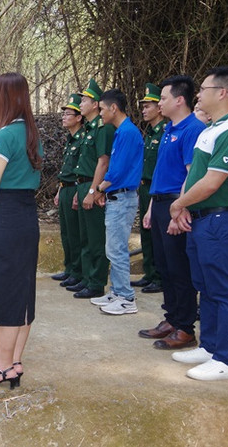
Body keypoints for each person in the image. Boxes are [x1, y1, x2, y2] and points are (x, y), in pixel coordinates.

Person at [169, 67, 228, 381]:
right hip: (200, 219)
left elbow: (212, 181)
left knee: (225, 290)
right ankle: (210, 346)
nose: (199, 94)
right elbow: (193, 175)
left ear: (222, 92)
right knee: (206, 288)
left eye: (204, 88)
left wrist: (180, 204)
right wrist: (182, 208)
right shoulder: (211, 128)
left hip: (221, 219)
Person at [0, 73, 42, 388]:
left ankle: (2, 367)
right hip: (27, 215)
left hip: (6, 215)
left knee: (3, 292)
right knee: (23, 293)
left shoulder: (5, 135)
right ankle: (15, 362)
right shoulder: (30, 132)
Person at [138, 75, 205, 348]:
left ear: (180, 100)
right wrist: (153, 208)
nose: (159, 102)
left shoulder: (193, 129)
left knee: (180, 268)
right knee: (164, 266)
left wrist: (181, 209)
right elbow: (160, 174)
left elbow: (192, 174)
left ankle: (186, 327)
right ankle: (172, 318)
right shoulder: (167, 129)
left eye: (163, 98)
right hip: (162, 203)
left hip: (178, 205)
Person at [90, 89, 143, 315]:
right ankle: (117, 291)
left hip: (122, 197)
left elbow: (117, 170)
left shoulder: (128, 132)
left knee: (118, 249)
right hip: (117, 197)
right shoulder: (122, 131)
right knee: (113, 248)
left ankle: (126, 298)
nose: (100, 113)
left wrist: (98, 189)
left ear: (114, 108)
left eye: (101, 108)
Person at [69, 79, 115, 299]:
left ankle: (96, 282)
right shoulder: (88, 128)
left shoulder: (102, 129)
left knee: (96, 238)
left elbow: (103, 161)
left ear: (96, 104)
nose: (81, 103)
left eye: (85, 100)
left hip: (92, 184)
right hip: (83, 183)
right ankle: (87, 278)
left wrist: (93, 191)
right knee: (85, 237)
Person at [132, 83, 165, 293]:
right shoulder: (150, 133)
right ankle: (149, 272)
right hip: (144, 188)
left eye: (148, 106)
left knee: (157, 234)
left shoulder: (163, 133)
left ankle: (159, 276)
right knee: (146, 232)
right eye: (143, 106)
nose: (144, 110)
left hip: (157, 189)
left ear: (159, 108)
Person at [52, 95, 84, 287]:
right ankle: (69, 268)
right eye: (63, 114)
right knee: (65, 232)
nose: (64, 117)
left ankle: (78, 271)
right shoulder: (70, 139)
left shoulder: (82, 139)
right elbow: (66, 169)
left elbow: (81, 170)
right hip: (65, 188)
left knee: (75, 233)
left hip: (75, 189)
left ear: (79, 117)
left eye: (68, 114)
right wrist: (59, 190)